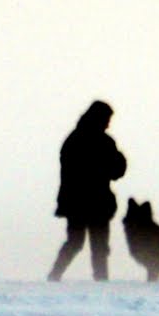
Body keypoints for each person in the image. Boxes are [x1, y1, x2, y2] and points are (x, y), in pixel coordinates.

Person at [47, 100, 128, 282]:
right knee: (95, 246)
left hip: (79, 202)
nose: (108, 123)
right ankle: (98, 280)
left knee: (80, 243)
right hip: (91, 202)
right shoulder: (100, 142)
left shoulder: (75, 139)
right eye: (107, 119)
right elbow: (115, 170)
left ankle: (55, 276)